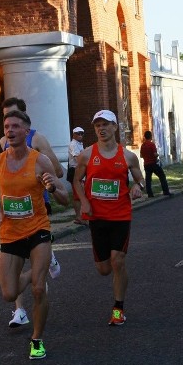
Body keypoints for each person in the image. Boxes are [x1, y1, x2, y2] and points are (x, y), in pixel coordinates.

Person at [0, 110, 69, 359]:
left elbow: (64, 198)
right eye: (6, 126)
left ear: (26, 131)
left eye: (16, 126)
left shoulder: (40, 161)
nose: (10, 130)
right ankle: (33, 272)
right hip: (10, 233)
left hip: (38, 229)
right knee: (9, 293)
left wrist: (52, 186)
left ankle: (37, 340)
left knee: (39, 289)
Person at [73, 110, 145, 326]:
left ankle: (118, 308)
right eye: (97, 126)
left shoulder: (127, 156)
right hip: (97, 217)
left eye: (105, 124)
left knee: (118, 260)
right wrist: (84, 202)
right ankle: (115, 279)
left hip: (121, 215)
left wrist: (137, 187)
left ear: (115, 127)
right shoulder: (86, 154)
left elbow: (140, 179)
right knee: (104, 269)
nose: (101, 129)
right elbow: (76, 181)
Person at [0, 97, 64, 328]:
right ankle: (19, 311)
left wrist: (44, 179)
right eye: (6, 121)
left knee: (37, 279)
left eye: (15, 119)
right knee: (13, 276)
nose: (10, 127)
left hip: (38, 205)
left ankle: (46, 260)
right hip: (13, 216)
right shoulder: (2, 143)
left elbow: (59, 171)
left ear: (25, 120)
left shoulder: (38, 139)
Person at [139, 130, 171, 197]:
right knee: (162, 176)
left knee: (148, 180)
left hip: (146, 164)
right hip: (153, 163)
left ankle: (150, 194)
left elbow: (141, 156)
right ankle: (166, 191)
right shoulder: (151, 144)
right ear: (151, 137)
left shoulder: (143, 145)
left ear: (145, 137)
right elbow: (155, 154)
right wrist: (158, 155)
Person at [67, 126, 86, 224]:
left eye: (82, 133)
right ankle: (78, 217)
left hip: (79, 170)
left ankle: (82, 215)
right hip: (74, 170)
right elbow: (78, 159)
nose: (80, 135)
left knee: (81, 192)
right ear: (73, 135)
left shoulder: (79, 144)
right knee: (77, 194)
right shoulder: (73, 144)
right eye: (78, 133)